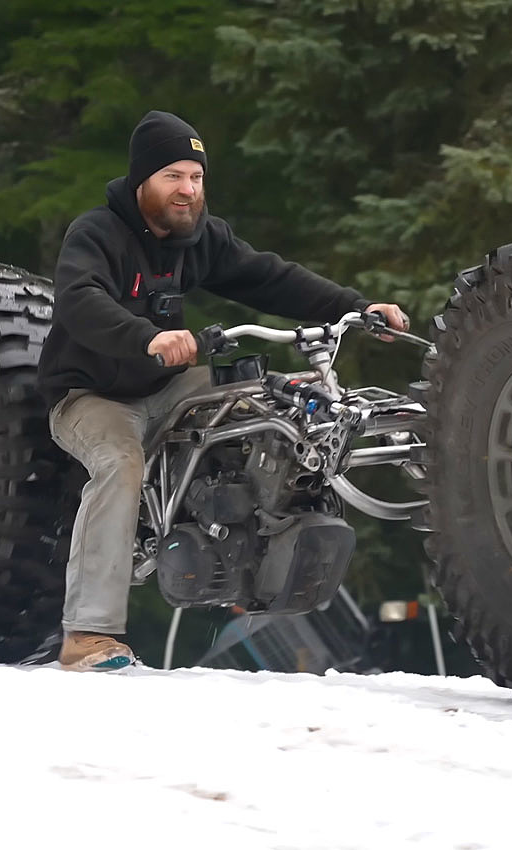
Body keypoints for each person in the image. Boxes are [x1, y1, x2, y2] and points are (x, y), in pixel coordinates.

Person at [37, 110, 409, 671]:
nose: (188, 190)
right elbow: (81, 301)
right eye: (174, 177)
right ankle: (88, 636)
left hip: (167, 387)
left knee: (272, 406)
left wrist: (355, 306)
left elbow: (269, 276)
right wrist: (148, 337)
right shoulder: (97, 233)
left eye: (196, 176)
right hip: (90, 395)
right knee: (120, 461)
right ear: (143, 180)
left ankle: (245, 554)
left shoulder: (199, 237)